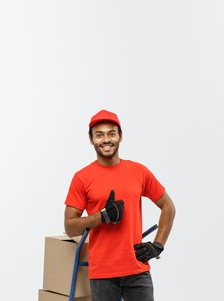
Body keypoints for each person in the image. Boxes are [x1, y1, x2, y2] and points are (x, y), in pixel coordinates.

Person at [63, 109, 176, 301]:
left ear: (120, 136)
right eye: (99, 135)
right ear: (91, 139)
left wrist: (158, 245)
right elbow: (69, 227)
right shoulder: (82, 178)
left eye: (111, 133)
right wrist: (101, 216)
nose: (106, 140)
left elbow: (168, 207)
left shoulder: (138, 172)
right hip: (102, 274)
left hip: (137, 269)